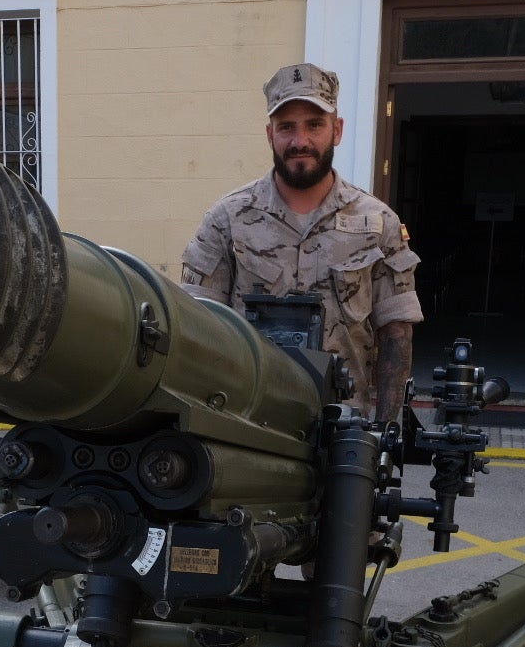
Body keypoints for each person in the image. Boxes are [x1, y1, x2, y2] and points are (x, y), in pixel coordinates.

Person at [180, 62, 423, 423]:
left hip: (344, 429)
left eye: (314, 125)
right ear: (270, 134)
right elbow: (197, 326)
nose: (300, 141)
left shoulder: (377, 223)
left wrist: (385, 434)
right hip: (247, 425)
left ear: (336, 130)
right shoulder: (227, 219)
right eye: (286, 127)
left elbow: (396, 333)